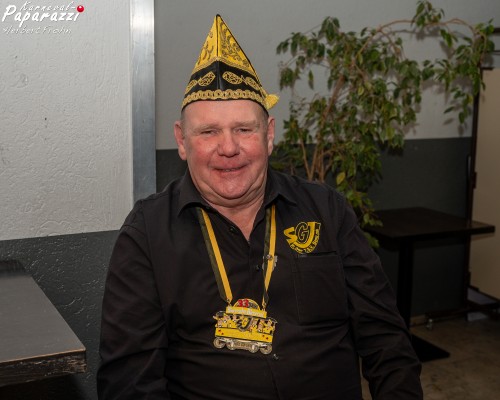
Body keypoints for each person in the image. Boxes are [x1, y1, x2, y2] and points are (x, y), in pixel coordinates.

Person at [97, 14, 423, 400]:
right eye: (209, 132)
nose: (229, 147)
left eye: (244, 129)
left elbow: (385, 337)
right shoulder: (148, 233)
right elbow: (130, 379)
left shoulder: (327, 211)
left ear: (268, 135)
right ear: (182, 142)